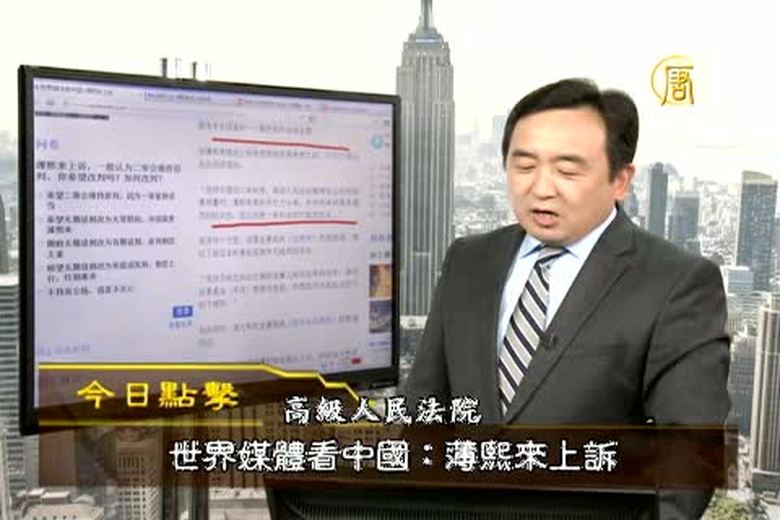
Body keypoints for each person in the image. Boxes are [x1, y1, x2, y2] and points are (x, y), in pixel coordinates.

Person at [403, 78, 730, 519]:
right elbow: (423, 416)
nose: (541, 188)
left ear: (620, 180)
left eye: (568, 171)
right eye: (524, 166)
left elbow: (687, 461)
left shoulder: (677, 284)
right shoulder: (469, 261)